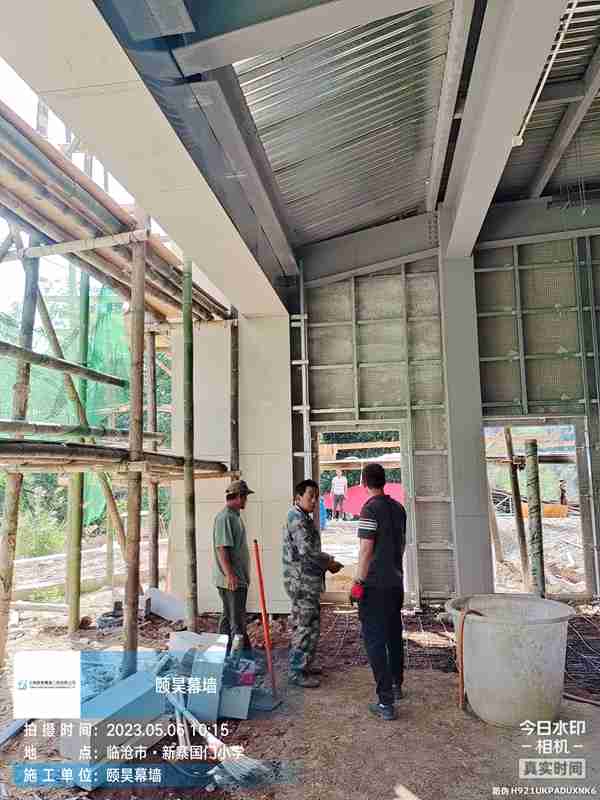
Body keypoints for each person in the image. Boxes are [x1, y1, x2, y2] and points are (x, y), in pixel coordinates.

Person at [350, 463, 406, 721]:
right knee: (394, 634)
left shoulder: (369, 509)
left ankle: (385, 702)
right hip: (395, 583)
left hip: (375, 586)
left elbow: (366, 550)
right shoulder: (399, 508)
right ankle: (396, 684)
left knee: (374, 640)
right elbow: (401, 545)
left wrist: (358, 582)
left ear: (364, 483)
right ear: (384, 481)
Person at [283, 479, 343, 688]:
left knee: (312, 624)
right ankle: (296, 671)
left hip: (308, 581)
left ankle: (305, 663)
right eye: (311, 496)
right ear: (298, 497)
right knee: (304, 625)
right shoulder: (296, 518)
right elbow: (307, 551)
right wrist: (329, 562)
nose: (315, 501)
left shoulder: (303, 517)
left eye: (317, 497)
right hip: (301, 582)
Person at [212, 479, 254, 654]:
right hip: (232, 580)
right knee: (237, 622)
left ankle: (222, 655)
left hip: (235, 578)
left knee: (229, 618)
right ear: (238, 496)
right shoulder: (225, 518)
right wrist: (230, 575)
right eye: (244, 497)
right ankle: (240, 659)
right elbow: (222, 548)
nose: (246, 500)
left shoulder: (234, 516)